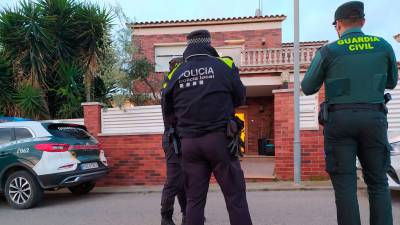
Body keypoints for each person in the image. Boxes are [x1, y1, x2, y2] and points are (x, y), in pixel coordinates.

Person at [301, 1, 398, 225]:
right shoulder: (383, 46)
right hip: (374, 119)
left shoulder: (329, 50)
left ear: (338, 25)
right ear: (363, 22)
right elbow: (392, 82)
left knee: (345, 185)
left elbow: (308, 87)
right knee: (378, 183)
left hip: (340, 121)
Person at [162, 29, 253, 225]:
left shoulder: (176, 72)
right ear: (209, 44)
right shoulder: (223, 66)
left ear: (188, 46)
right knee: (235, 198)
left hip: (190, 145)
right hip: (220, 141)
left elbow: (168, 112)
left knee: (194, 201)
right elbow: (240, 97)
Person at [160, 57, 187, 225]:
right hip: (174, 140)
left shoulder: (170, 86)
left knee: (182, 180)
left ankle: (186, 213)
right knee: (173, 181)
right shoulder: (171, 89)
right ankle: (166, 217)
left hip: (176, 138)